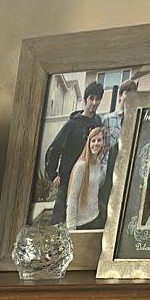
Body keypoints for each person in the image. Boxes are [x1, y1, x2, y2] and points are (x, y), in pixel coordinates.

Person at [43, 80, 104, 226]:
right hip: (68, 177)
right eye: (91, 98)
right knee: (59, 221)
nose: (94, 102)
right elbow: (54, 148)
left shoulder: (98, 122)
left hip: (87, 181)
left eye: (98, 99)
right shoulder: (72, 125)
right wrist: (53, 174)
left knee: (81, 221)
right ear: (85, 100)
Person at [66, 123, 110, 229]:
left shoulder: (98, 163)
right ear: (88, 143)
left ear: (103, 142)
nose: (96, 144)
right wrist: (71, 227)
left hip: (95, 217)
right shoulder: (81, 166)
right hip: (81, 223)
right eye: (93, 140)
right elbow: (72, 197)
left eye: (99, 140)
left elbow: (98, 185)